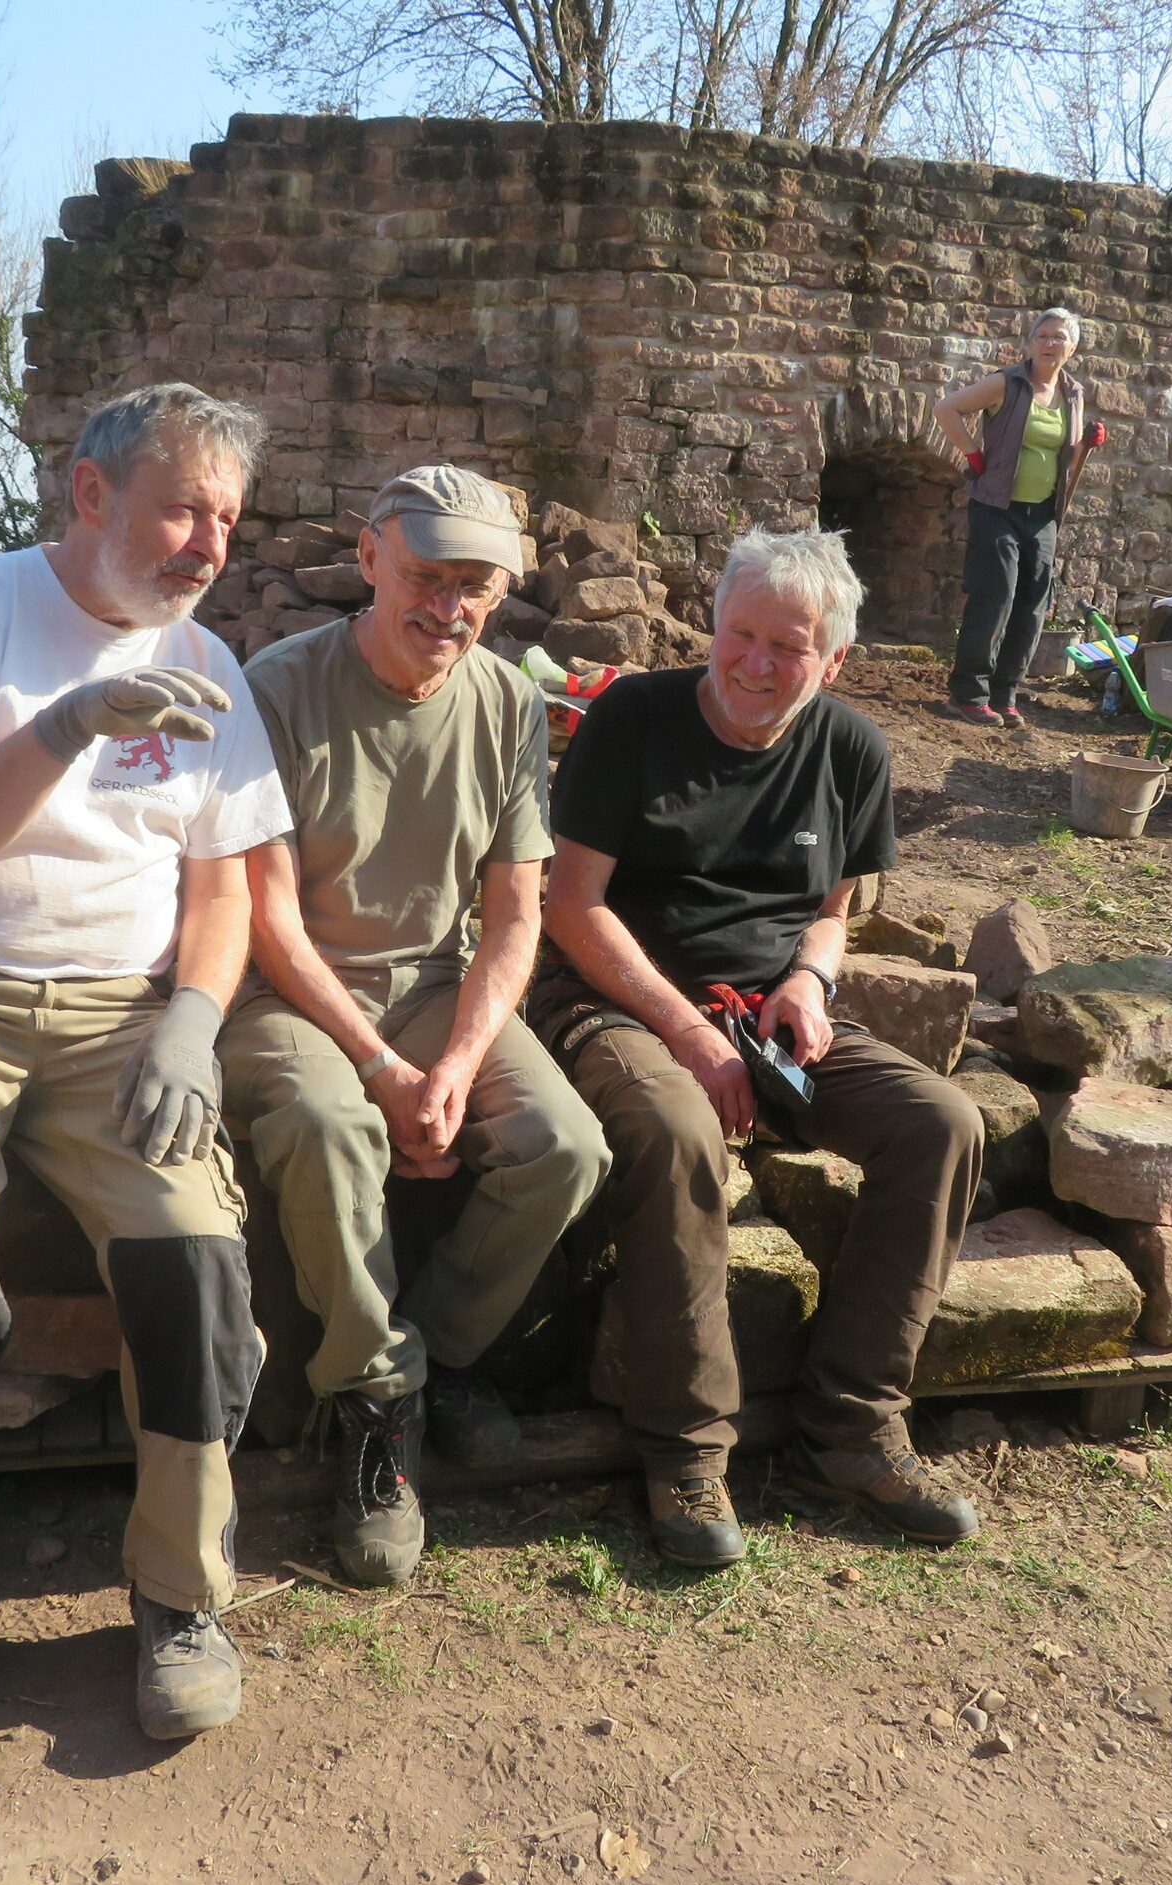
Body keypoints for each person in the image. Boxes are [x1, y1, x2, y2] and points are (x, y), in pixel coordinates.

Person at [0, 381, 294, 1766]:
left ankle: (182, 1598)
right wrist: (70, 722)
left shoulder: (211, 663)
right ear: (91, 494)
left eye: (227, 519)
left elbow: (222, 890)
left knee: (197, 1263)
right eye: (182, 509)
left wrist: (193, 1017)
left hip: (117, 1017)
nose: (208, 545)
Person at [535, 526, 985, 1567]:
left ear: (833, 661)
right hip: (617, 997)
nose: (753, 663)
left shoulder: (853, 751)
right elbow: (573, 907)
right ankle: (685, 1449)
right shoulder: (633, 718)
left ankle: (853, 1424)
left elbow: (832, 911)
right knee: (675, 1128)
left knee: (943, 1124)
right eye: (739, 635)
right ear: (712, 626)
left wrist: (809, 983)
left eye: (788, 647)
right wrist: (690, 1035)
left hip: (765, 1016)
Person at [221, 467, 611, 1588]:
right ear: (370, 558)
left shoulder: (507, 704)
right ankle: (377, 1412)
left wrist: (455, 1063)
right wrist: (381, 1068)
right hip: (290, 991)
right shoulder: (276, 690)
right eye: (428, 577)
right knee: (330, 1126)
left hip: (436, 983)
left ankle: (416, 1364)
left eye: (476, 585)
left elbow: (517, 915)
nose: (449, 607)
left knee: (563, 1146)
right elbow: (266, 918)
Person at [932, 307, 1089, 728]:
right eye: (1042, 336)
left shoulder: (1073, 393)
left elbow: (1068, 457)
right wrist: (973, 455)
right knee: (994, 597)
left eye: (1058, 337)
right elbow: (946, 409)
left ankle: (1005, 695)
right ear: (1030, 342)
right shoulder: (1006, 383)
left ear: (1072, 347)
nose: (1049, 343)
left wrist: (1086, 446)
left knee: (1033, 605)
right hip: (996, 508)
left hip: (1043, 515)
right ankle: (968, 694)